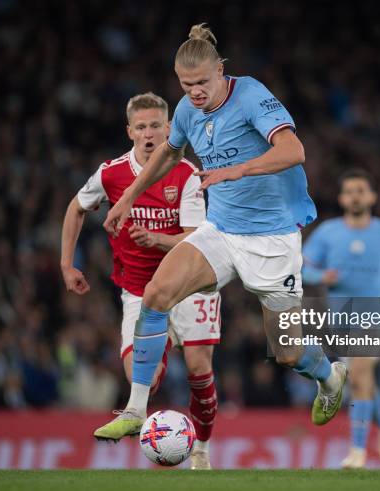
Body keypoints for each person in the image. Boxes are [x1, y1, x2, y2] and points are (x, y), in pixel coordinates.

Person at [97, 23, 347, 442]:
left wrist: (237, 169)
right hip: (221, 229)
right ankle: (136, 409)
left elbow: (293, 150)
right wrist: (127, 198)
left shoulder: (250, 95)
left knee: (288, 352)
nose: (194, 92)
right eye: (185, 84)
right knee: (155, 295)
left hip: (271, 237)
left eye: (201, 83)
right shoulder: (186, 109)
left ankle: (329, 375)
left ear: (221, 71)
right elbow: (169, 153)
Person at [60, 92, 220, 469]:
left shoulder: (185, 173)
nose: (149, 134)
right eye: (141, 127)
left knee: (198, 368)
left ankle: (201, 449)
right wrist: (67, 265)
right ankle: (137, 413)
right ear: (129, 130)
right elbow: (75, 207)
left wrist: (158, 240)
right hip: (138, 288)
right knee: (141, 379)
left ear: (169, 128)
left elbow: (196, 236)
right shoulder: (110, 173)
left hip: (189, 284)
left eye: (155, 126)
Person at [302, 168, 380, 469]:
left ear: (372, 196)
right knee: (362, 381)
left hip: (376, 314)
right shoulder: (328, 232)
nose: (355, 196)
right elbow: (301, 266)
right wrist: (321, 275)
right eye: (350, 191)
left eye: (361, 190)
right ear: (341, 198)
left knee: (360, 372)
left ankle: (358, 452)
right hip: (342, 320)